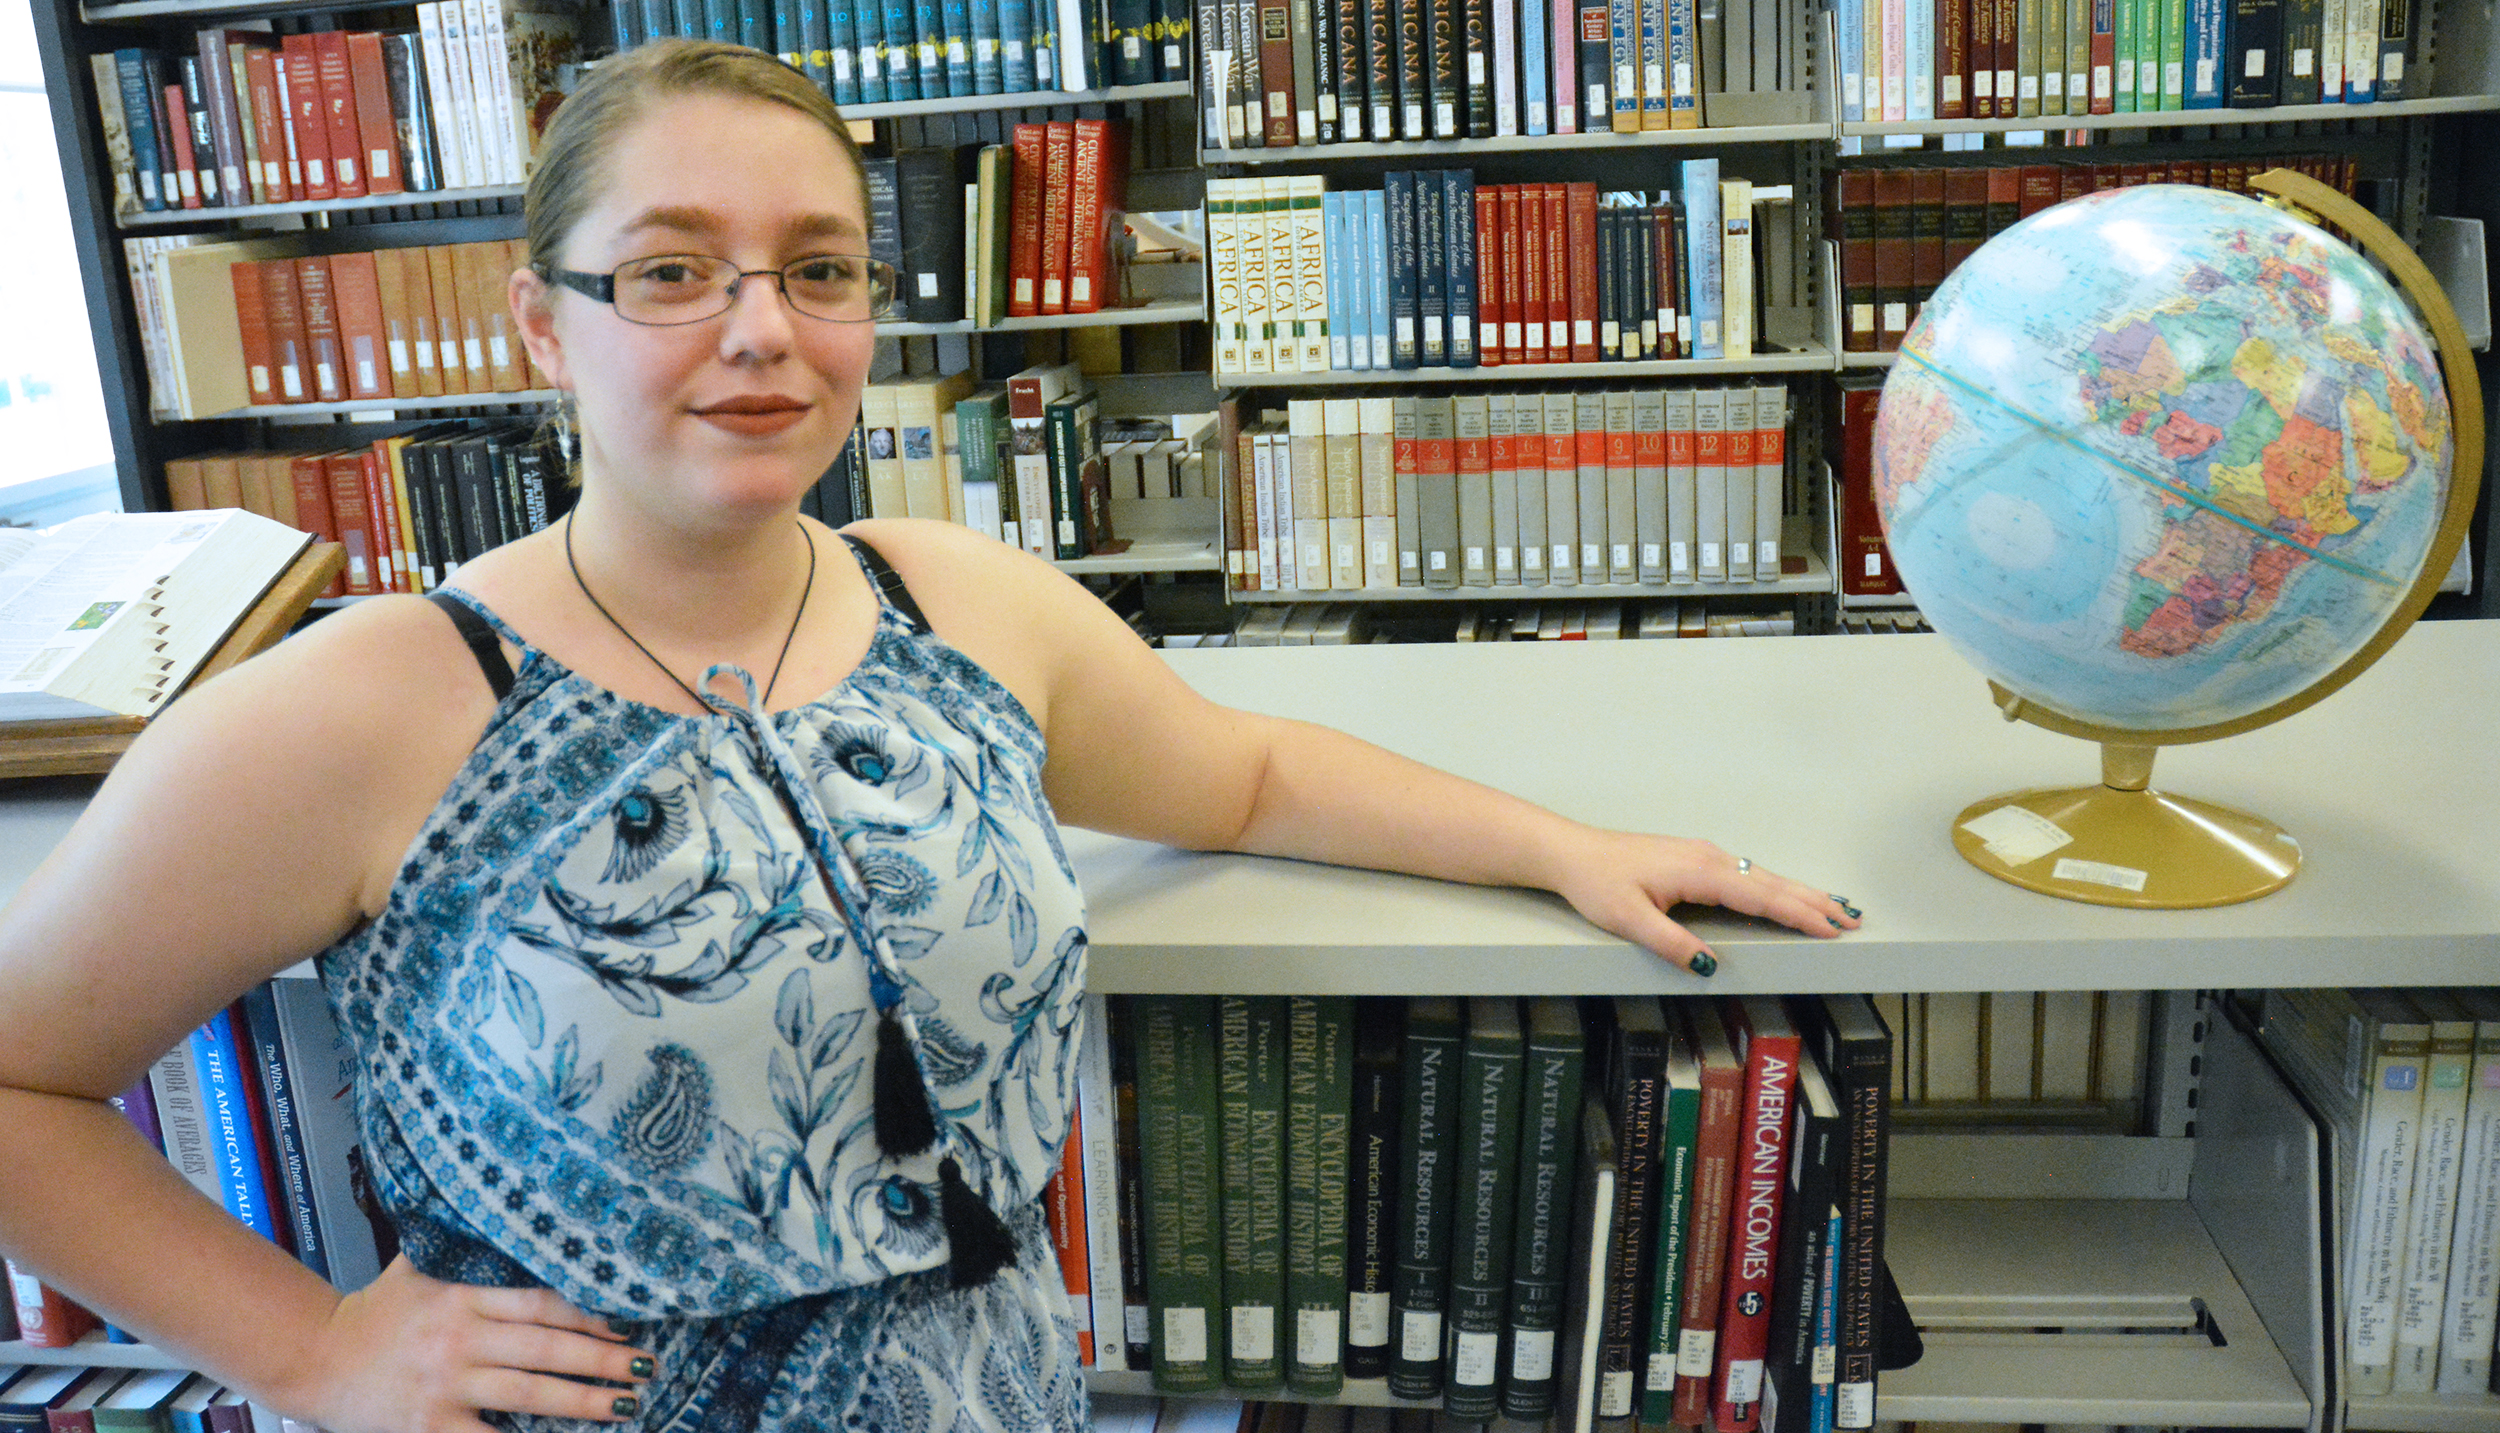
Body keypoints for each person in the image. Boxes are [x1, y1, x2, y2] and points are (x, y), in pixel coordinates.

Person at [0, 38, 1858, 1433]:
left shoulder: (955, 601)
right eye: (672, 270)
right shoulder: (365, 705)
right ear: (542, 326)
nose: (763, 332)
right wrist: (315, 1350)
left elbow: (1248, 774)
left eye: (819, 269)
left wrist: (1566, 848)